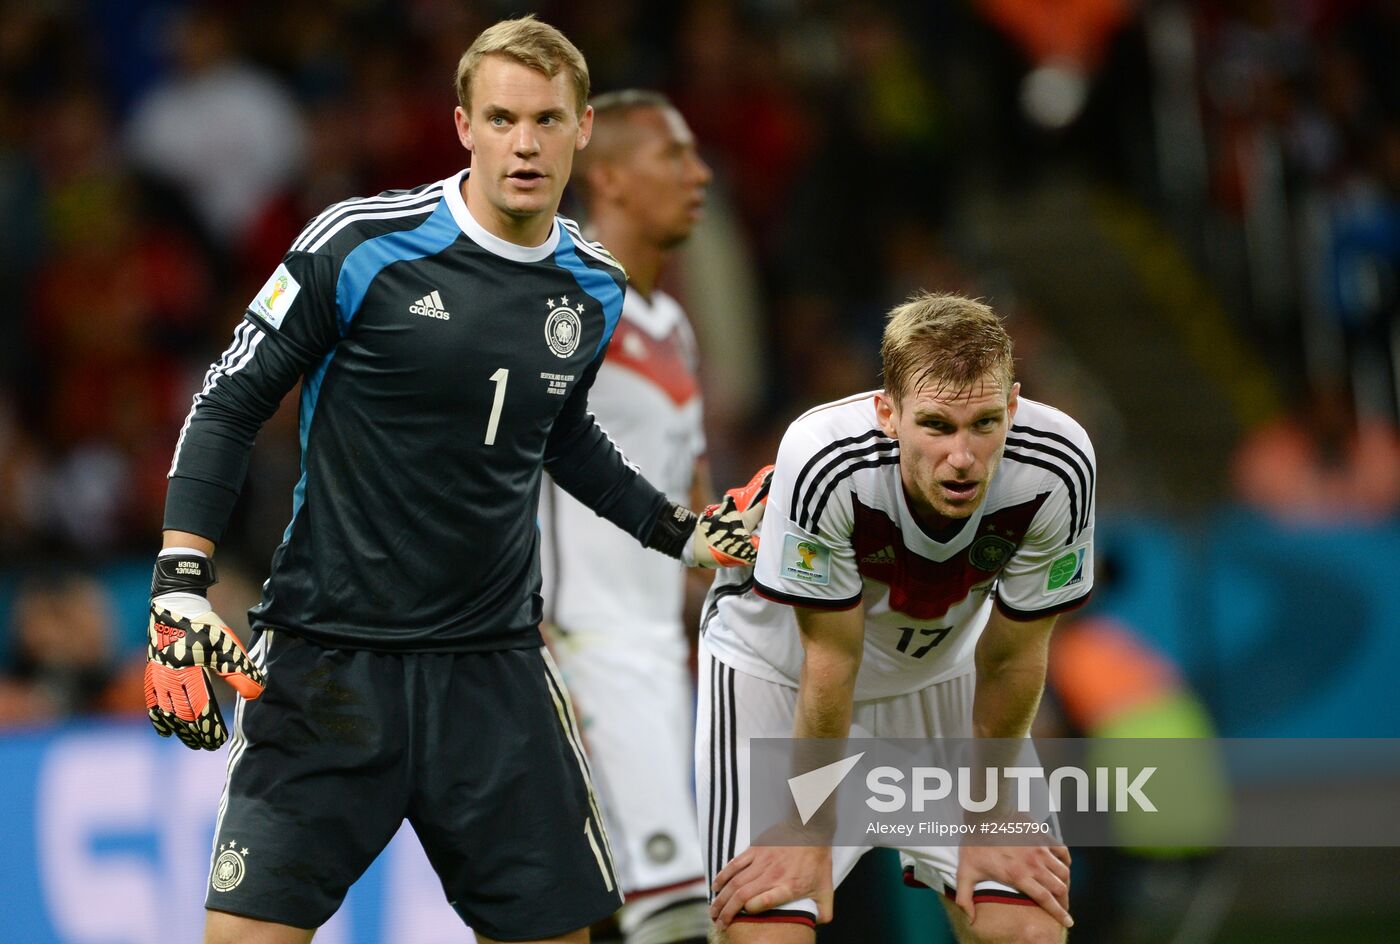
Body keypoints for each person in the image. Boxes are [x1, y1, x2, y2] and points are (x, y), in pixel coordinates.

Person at [141, 17, 764, 944]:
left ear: (582, 129)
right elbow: (228, 403)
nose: (525, 143)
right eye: (504, 118)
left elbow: (562, 434)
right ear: (464, 125)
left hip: (492, 671)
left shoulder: (591, 288)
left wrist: (678, 534)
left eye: (547, 120)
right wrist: (181, 580)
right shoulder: (359, 245)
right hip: (327, 661)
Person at [700, 293, 1096, 943]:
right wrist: (806, 827)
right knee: (766, 930)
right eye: (937, 426)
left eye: (985, 424)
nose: (962, 457)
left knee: (1026, 929)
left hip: (944, 673)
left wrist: (990, 810)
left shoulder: (1057, 464)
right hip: (782, 679)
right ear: (888, 412)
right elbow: (831, 660)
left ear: (1014, 406)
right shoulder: (825, 455)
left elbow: (1013, 656)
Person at [538, 90, 714, 944]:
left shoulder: (671, 325)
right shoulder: (560, 301)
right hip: (584, 646)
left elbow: (694, 498)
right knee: (675, 915)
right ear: (606, 174)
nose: (700, 174)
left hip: (660, 651)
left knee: (581, 911)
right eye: (674, 156)